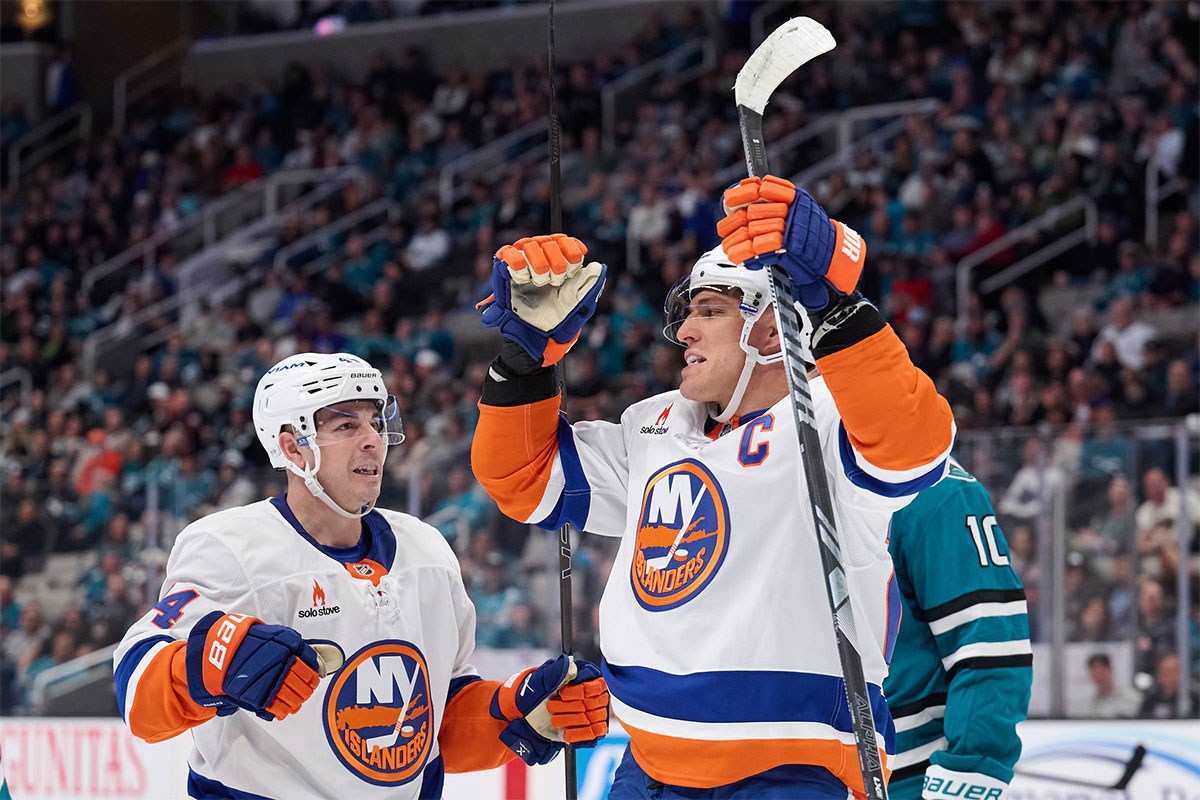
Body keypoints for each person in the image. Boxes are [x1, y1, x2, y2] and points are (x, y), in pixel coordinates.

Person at [471, 176, 955, 798]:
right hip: (645, 768)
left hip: (793, 776)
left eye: (712, 310)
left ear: (775, 331)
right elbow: (524, 480)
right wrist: (522, 361)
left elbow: (915, 449)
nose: (685, 332)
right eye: (690, 312)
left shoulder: (831, 422)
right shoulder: (654, 425)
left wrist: (836, 306)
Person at [113, 353, 608, 799]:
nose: (373, 440)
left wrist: (515, 713)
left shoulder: (427, 550)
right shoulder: (230, 548)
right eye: (346, 427)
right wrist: (206, 668)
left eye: (375, 421)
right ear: (292, 447)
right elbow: (137, 692)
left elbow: (437, 724)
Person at [883, 463, 1032, 800]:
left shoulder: (937, 489)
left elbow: (989, 650)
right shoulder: (780, 474)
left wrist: (967, 777)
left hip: (904, 779)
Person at [1084, 653, 1141, 718]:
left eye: (1101, 673)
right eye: (1094, 674)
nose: (1099, 677)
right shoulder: (1089, 702)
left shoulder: (1131, 697)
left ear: (1110, 670)